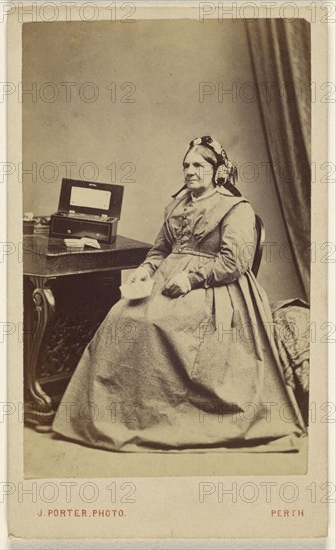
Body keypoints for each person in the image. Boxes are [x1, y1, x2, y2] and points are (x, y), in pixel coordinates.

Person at [52, 136, 306, 452]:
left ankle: (164, 417)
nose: (190, 171)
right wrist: (146, 270)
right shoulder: (176, 204)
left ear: (218, 172)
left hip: (215, 289)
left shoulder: (236, 208)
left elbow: (235, 261)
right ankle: (124, 416)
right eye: (186, 165)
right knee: (119, 316)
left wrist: (191, 280)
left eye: (199, 165)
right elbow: (161, 249)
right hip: (166, 280)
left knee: (155, 323)